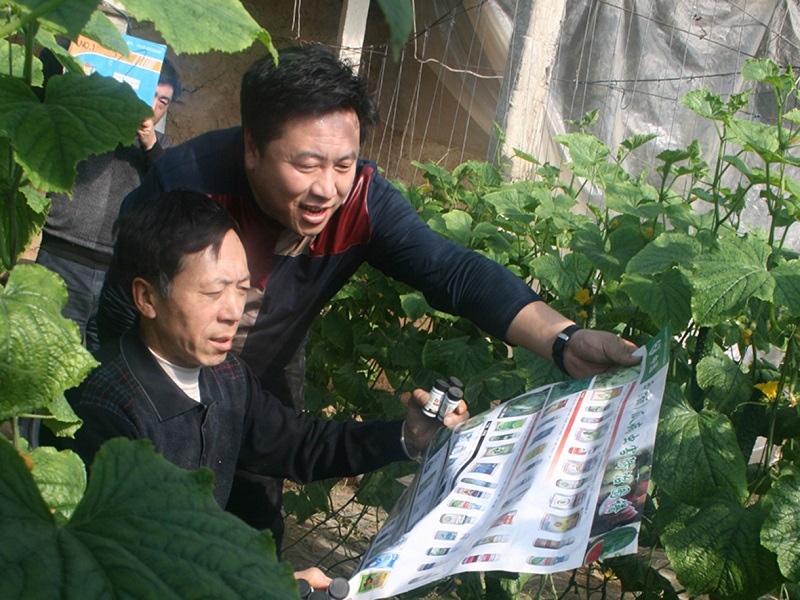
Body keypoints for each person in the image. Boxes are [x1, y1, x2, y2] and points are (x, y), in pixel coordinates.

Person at [94, 44, 639, 543]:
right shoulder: (183, 186)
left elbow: (453, 272)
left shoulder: (360, 202)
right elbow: (124, 317)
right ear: (252, 150)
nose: (327, 187)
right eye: (305, 163)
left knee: (254, 524)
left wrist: (564, 340)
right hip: (165, 378)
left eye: (343, 164)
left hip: (255, 381)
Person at [56, 189, 466, 527]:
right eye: (214, 292)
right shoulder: (102, 408)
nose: (233, 311)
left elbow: (300, 443)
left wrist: (407, 437)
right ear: (147, 298)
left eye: (242, 288)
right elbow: (136, 557)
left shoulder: (227, 378)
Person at [37, 63, 180, 346]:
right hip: (63, 258)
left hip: (120, 274)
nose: (152, 107)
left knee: (104, 362)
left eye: (162, 101)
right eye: (148, 93)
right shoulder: (88, 122)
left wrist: (150, 146)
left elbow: (175, 194)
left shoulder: (163, 149)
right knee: (47, 351)